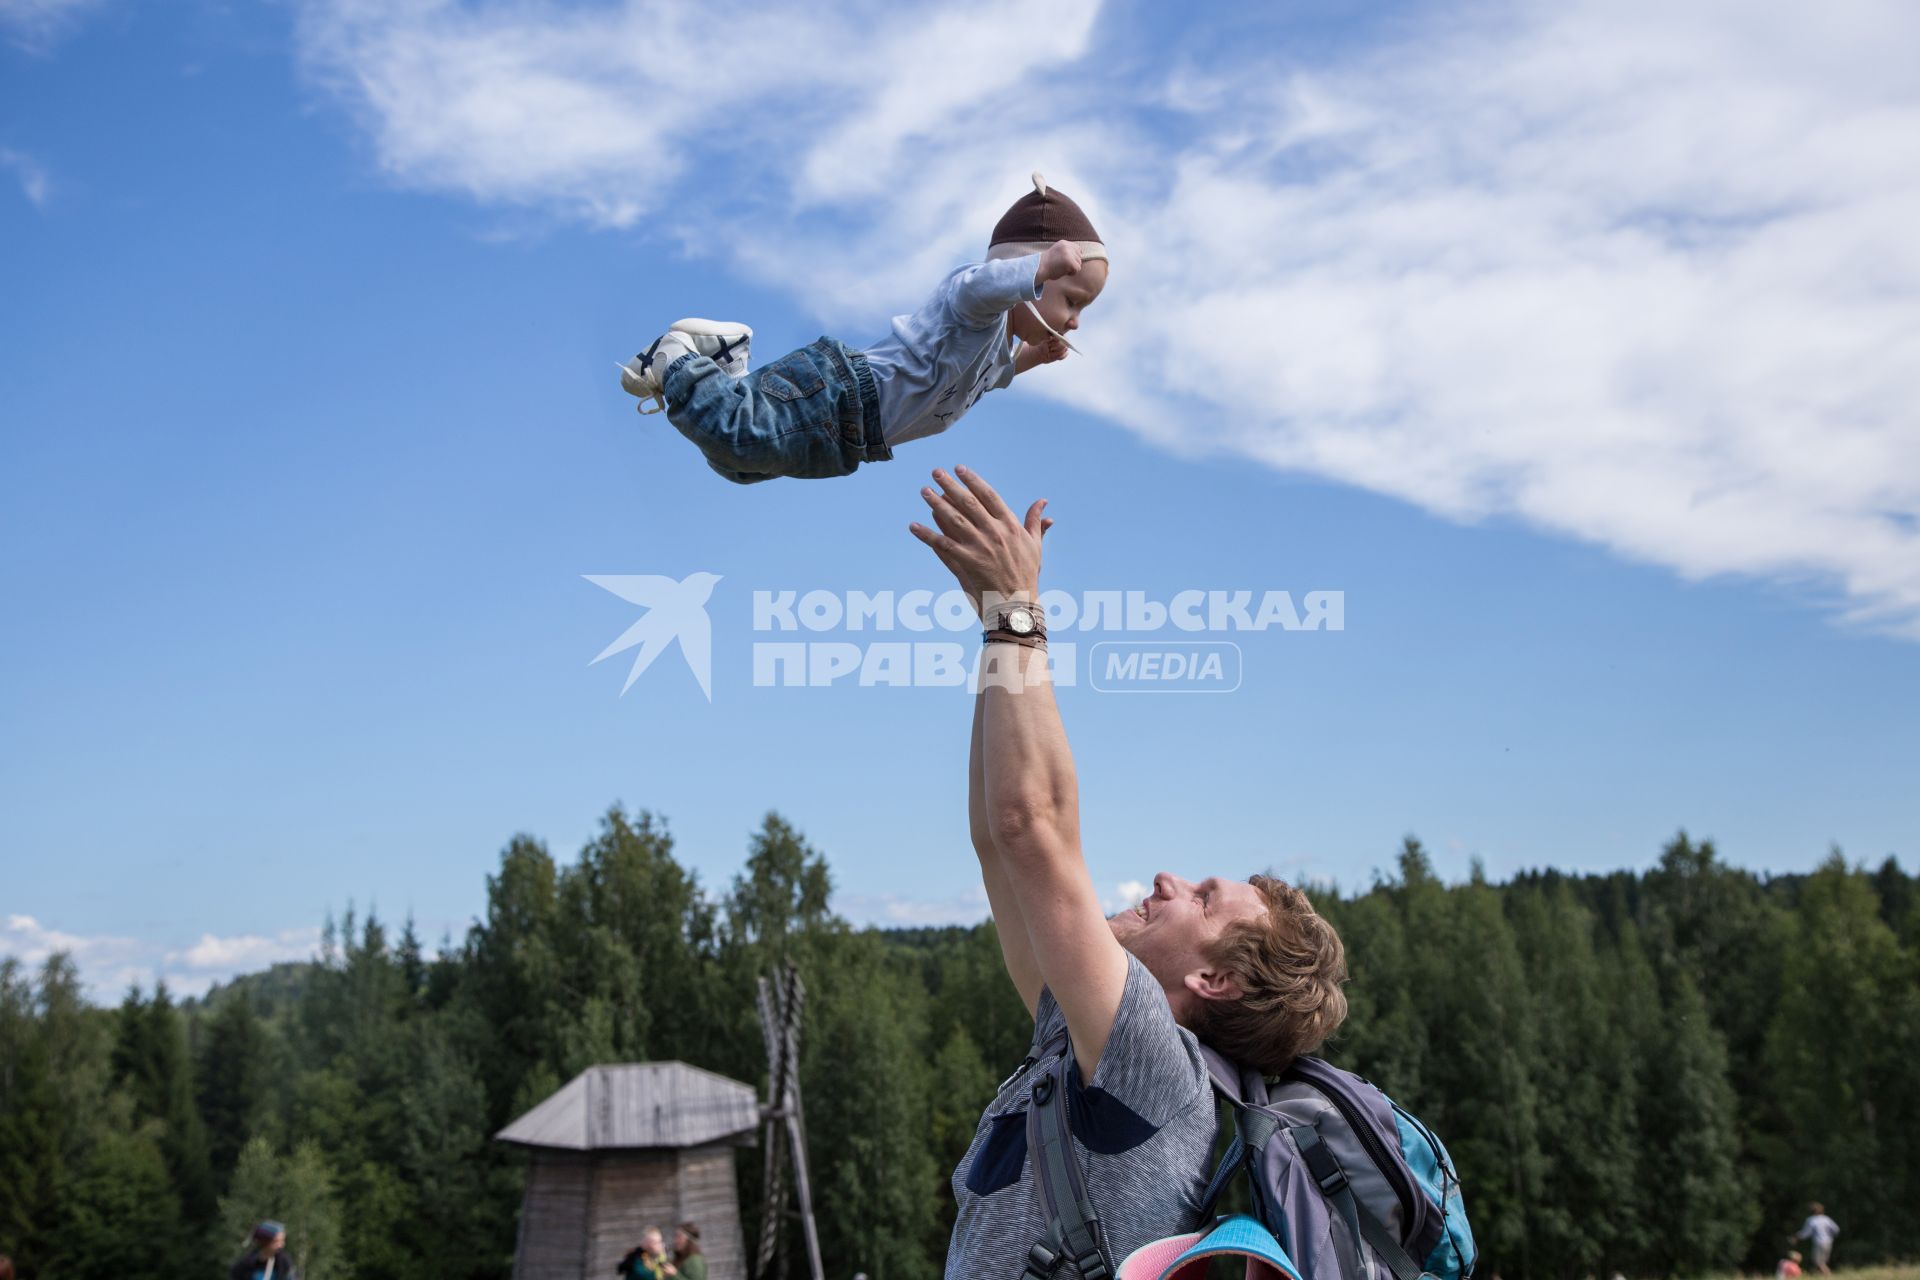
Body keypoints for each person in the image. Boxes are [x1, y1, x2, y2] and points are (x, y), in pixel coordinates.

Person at [908, 465, 1350, 1278]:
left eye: (1205, 899)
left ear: (1216, 980)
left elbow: (1032, 827)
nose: (1167, 880)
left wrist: (1017, 614)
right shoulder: (1076, 1048)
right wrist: (995, 631)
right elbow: (997, 841)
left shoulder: (1155, 1061)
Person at [618, 173, 1108, 483]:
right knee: (739, 438)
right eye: (1073, 300)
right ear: (1029, 268)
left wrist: (1033, 358)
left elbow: (995, 377)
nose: (1074, 321)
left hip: (855, 440)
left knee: (740, 466)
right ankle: (676, 353)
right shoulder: (978, 308)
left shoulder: (998, 348)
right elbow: (976, 287)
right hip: (844, 392)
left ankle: (727, 361)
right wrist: (1040, 267)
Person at [229, 1221, 297, 1280]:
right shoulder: (244, 1266)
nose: (281, 1245)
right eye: (276, 1241)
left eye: (282, 1241)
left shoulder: (284, 1263)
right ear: (265, 1242)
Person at [1793, 1203, 1839, 1275]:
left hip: (1819, 1242)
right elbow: (1836, 1229)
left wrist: (1797, 1237)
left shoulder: (1811, 1220)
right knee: (1823, 1262)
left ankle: (1829, 1275)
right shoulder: (1826, 1218)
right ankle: (1822, 1275)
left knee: (1818, 1262)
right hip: (1829, 1242)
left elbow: (1805, 1234)